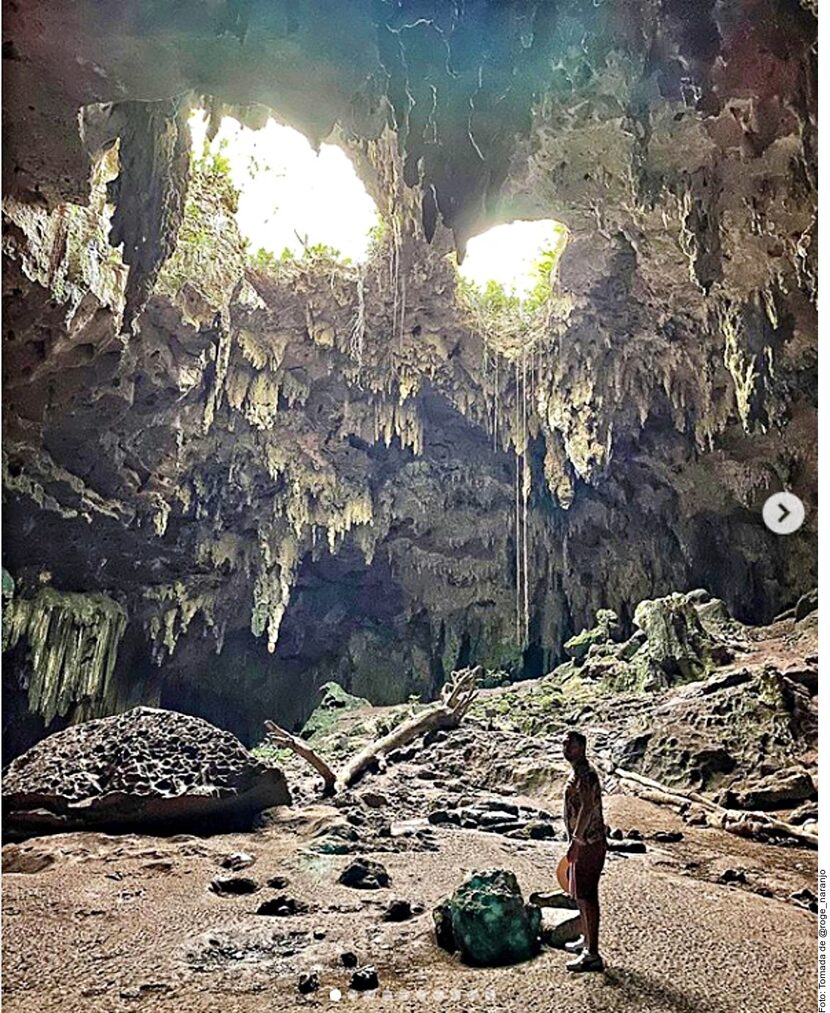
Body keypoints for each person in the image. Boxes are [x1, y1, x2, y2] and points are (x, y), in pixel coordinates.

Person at [561, 729, 607, 972]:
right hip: (584, 842)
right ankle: (586, 939)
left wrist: (576, 841)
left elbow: (587, 808)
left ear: (582, 747)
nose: (566, 748)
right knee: (580, 893)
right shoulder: (578, 771)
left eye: (571, 745)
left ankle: (592, 954)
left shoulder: (586, 774)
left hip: (589, 843)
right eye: (564, 744)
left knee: (587, 895)